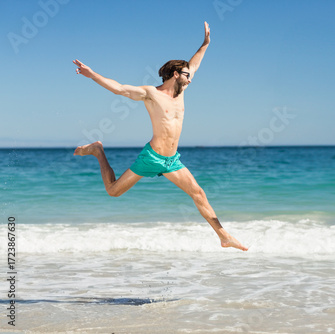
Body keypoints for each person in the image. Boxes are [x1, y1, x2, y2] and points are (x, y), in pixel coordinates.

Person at [72, 22, 247, 251]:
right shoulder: (151, 94)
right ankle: (97, 150)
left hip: (172, 161)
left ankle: (224, 236)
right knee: (113, 191)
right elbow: (119, 88)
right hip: (152, 157)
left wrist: (205, 44)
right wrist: (92, 74)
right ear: (175, 74)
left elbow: (194, 64)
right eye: (186, 75)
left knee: (198, 193)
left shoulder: (182, 90)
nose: (190, 78)